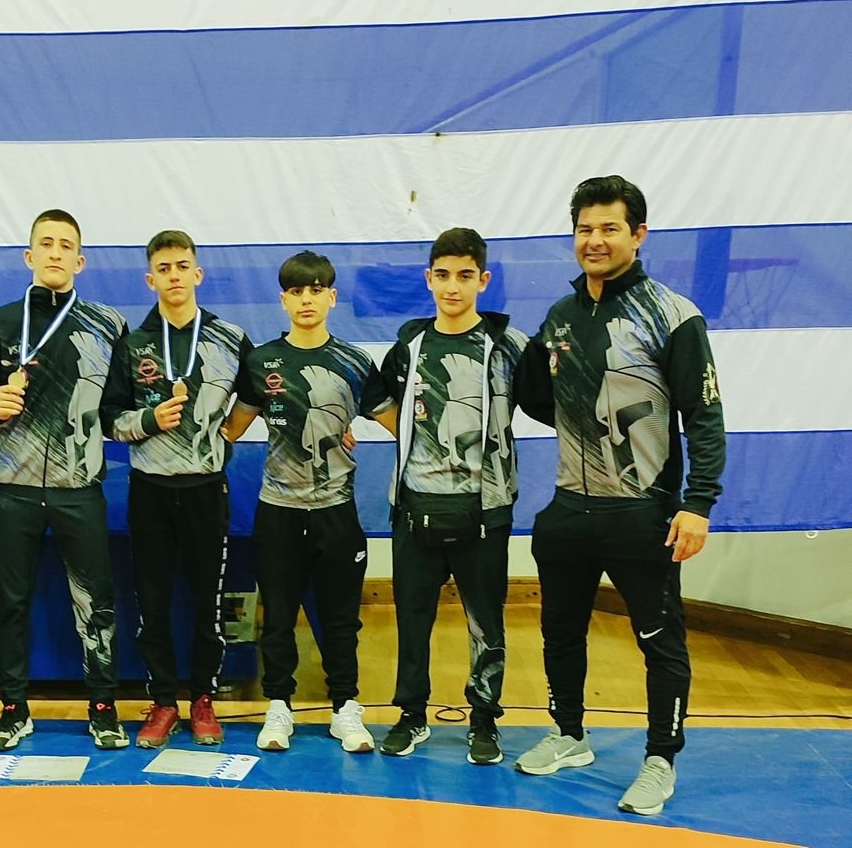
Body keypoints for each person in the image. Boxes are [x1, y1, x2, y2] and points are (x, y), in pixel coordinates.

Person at [513, 175, 725, 816]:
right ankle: (569, 735)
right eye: (585, 229)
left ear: (638, 234)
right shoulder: (561, 315)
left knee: (660, 642)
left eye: (610, 228)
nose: (595, 240)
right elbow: (542, 399)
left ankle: (660, 759)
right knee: (559, 632)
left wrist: (698, 503)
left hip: (643, 513)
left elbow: (704, 416)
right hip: (568, 509)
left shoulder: (674, 315)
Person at [220, 251, 396, 754]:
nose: (306, 300)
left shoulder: (355, 363)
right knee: (277, 615)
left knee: (341, 619)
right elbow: (230, 429)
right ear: (283, 300)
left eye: (316, 290)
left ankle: (345, 707)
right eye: (296, 291)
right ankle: (279, 706)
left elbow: (402, 425)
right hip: (278, 509)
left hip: (336, 510)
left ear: (332, 297)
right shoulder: (261, 362)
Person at [0, 209, 130, 752]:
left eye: (66, 245)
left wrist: (156, 422)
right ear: (30, 256)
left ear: (80, 261)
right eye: (46, 243)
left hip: (79, 488)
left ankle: (103, 707)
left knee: (96, 602)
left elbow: (116, 410)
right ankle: (13, 710)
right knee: (9, 603)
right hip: (13, 489)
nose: (56, 252)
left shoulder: (108, 325)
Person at [377, 228, 528, 763]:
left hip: (484, 511)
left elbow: (548, 401)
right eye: (442, 275)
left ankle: (484, 719)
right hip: (415, 508)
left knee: (485, 620)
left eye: (465, 276)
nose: (453, 287)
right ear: (428, 279)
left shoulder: (509, 348)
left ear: (482, 280)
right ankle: (411, 715)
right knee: (412, 618)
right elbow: (379, 400)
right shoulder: (409, 348)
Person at [101, 230, 252, 749]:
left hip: (207, 489)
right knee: (154, 602)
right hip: (151, 491)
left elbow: (260, 393)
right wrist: (148, 420)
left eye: (182, 266)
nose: (174, 276)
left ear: (197, 274)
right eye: (163, 268)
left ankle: (204, 697)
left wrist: (228, 433)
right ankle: (164, 700)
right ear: (151, 280)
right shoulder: (132, 345)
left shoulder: (229, 337)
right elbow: (108, 419)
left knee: (208, 601)